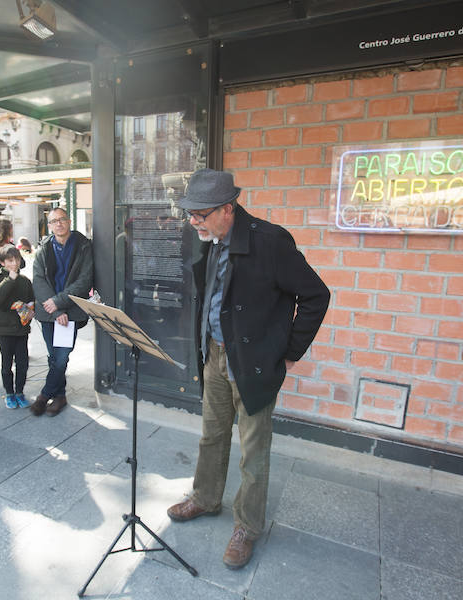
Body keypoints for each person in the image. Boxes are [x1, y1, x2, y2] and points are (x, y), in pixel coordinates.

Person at [166, 169, 330, 570]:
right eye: (190, 213)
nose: (192, 221)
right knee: (212, 434)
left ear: (228, 208)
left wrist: (289, 352)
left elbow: (315, 295)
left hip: (254, 364)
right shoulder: (208, 238)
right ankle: (205, 498)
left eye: (200, 214)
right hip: (215, 356)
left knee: (253, 451)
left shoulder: (270, 242)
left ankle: (247, 527)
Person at [31, 207, 93, 417]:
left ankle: (44, 395)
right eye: (54, 221)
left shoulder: (84, 246)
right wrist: (56, 310)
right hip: (48, 312)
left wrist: (59, 302)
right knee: (53, 357)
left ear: (69, 221)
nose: (59, 224)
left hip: (71, 310)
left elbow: (84, 282)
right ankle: (60, 396)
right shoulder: (43, 248)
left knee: (61, 358)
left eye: (62, 219)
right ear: (49, 225)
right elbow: (38, 280)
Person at [0, 244, 34, 409]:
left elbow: (31, 300)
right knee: (6, 363)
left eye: (17, 260)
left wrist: (30, 311)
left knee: (22, 363)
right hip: (4, 328)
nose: (14, 263)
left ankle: (20, 391)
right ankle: (9, 393)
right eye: (10, 260)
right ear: (2, 262)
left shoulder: (25, 281)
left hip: (21, 328)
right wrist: (10, 279)